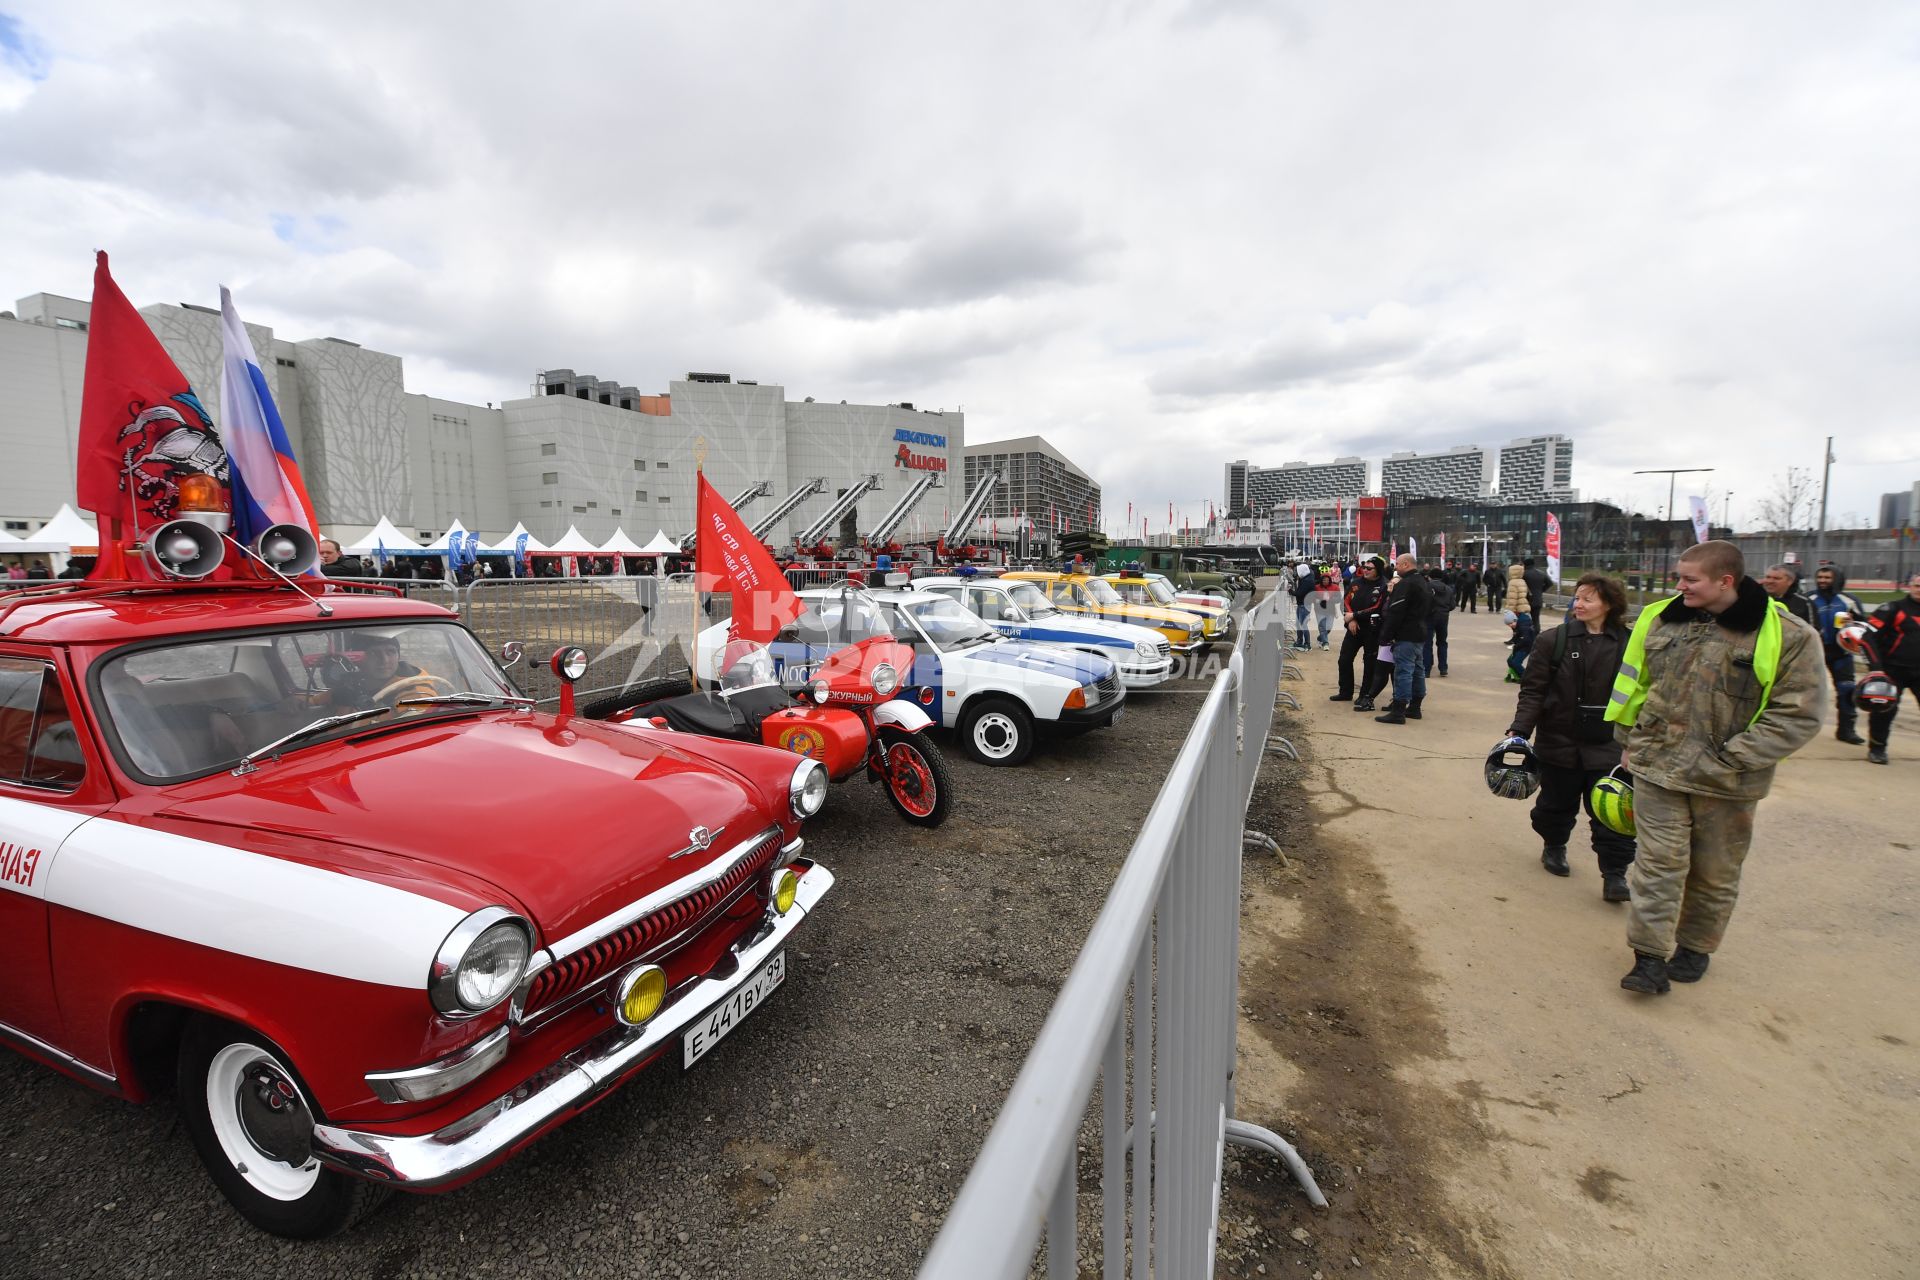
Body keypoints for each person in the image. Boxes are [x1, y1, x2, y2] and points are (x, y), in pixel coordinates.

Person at [1605, 541, 1824, 995]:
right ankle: (1647, 958)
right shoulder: (1662, 617)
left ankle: (1695, 947)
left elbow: (1799, 712)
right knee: (1657, 864)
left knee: (1714, 871)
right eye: (1679, 576)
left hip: (1728, 781)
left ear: (1726, 581)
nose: (1678, 585)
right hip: (1657, 767)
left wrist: (1735, 756)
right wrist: (1629, 740)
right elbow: (1635, 681)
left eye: (1690, 579)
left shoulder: (1789, 634)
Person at [1508, 573, 1635, 899]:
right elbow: (1533, 691)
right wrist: (1520, 730)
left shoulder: (1631, 644)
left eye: (1587, 599)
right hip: (1559, 740)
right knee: (1555, 804)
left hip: (1609, 744)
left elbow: (1641, 697)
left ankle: (1615, 874)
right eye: (1577, 598)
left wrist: (1637, 741)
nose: (1578, 604)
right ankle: (1554, 845)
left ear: (1609, 604)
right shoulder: (1554, 640)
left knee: (1613, 811)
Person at [1862, 572, 1920, 765]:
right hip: (1892, 671)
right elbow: (1867, 636)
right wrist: (1876, 668)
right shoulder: (1893, 609)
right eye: (1917, 586)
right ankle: (1877, 748)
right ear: (1909, 586)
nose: (1919, 590)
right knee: (1884, 710)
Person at [1807, 565, 1866, 745]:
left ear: (1837, 579)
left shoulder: (1849, 600)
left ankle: (1846, 730)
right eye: (1820, 577)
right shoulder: (1809, 598)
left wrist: (1853, 621)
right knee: (1806, 691)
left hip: (1842, 653)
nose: (1823, 581)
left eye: (1827, 577)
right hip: (1814, 652)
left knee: (1847, 690)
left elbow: (1864, 626)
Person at [1374, 553, 1432, 725]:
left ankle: (1398, 710)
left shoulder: (1406, 584)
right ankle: (1415, 707)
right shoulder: (1423, 582)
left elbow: (1396, 611)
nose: (1395, 567)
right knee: (1417, 670)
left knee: (1404, 671)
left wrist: (1386, 635)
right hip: (1419, 632)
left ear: (1406, 564)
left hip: (1406, 634)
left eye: (1397, 564)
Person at [1331, 556, 1387, 707]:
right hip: (1353, 628)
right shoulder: (1356, 583)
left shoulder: (1384, 586)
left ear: (1378, 570)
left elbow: (1378, 608)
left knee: (1370, 664)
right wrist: (1351, 620)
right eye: (1364, 568)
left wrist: (1355, 615)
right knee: (1344, 659)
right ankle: (1345, 691)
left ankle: (1365, 695)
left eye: (1369, 568)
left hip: (1372, 630)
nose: (1365, 571)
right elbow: (1346, 601)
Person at [1760, 563, 1816, 629]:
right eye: (1768, 577)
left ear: (1790, 581)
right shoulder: (1754, 600)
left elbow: (1813, 632)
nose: (1770, 581)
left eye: (1776, 578)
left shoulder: (1804, 603)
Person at [1424, 567, 1455, 676]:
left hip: (1429, 617)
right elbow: (1452, 605)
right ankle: (1443, 668)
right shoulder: (1448, 589)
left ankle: (1426, 669)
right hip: (1443, 617)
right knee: (1442, 642)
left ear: (1430, 576)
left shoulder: (1426, 587)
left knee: (1427, 643)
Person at [1311, 560, 1344, 650]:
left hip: (1330, 609)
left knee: (1328, 628)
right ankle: (1325, 643)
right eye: (1323, 580)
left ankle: (1320, 638)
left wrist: (1331, 600)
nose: (1325, 581)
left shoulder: (1335, 587)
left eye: (1327, 580)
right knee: (1322, 627)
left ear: (1330, 580)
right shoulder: (1317, 587)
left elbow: (1338, 599)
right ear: (1321, 580)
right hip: (1319, 610)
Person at [1504, 608, 1536, 682]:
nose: (1510, 625)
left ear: (1515, 620)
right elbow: (1517, 635)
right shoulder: (1516, 624)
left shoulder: (1523, 626)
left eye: (1511, 623)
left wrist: (1516, 645)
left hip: (1527, 646)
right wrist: (1515, 642)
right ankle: (1517, 675)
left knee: (1516, 662)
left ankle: (1526, 678)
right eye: (1509, 624)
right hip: (1520, 645)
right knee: (1510, 660)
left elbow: (1526, 639)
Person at [1289, 561, 1315, 653]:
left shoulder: (1307, 581)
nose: (1297, 573)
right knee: (1298, 624)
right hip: (1301, 604)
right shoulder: (1305, 578)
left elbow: (1300, 593)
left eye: (1298, 571)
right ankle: (1299, 641)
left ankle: (1307, 644)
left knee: (1303, 625)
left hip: (1305, 605)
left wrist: (1291, 592)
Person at [1522, 557, 1548, 622]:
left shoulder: (1523, 574)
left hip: (1526, 600)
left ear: (1525, 565)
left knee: (1525, 619)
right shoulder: (1541, 573)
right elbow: (1549, 583)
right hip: (1538, 599)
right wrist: (1541, 590)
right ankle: (1536, 631)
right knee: (1536, 620)